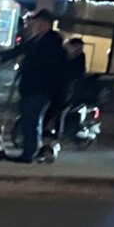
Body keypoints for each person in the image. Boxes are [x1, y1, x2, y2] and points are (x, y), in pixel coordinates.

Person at [11, 9, 69, 163]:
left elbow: (51, 68)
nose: (35, 25)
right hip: (29, 88)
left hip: (40, 89)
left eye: (38, 22)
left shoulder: (52, 43)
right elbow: (20, 50)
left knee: (33, 120)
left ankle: (29, 153)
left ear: (46, 24)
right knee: (27, 120)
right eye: (35, 22)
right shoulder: (36, 40)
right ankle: (29, 151)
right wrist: (2, 56)